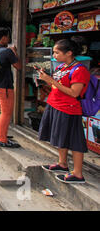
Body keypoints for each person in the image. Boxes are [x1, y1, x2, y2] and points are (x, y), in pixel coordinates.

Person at [37, 38, 91, 184]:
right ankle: (62, 164)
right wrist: (46, 80)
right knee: (60, 137)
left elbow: (74, 93)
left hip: (69, 109)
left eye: (56, 52)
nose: (54, 55)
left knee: (74, 140)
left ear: (69, 53)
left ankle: (78, 174)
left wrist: (52, 81)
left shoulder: (79, 70)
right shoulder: (62, 67)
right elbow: (57, 86)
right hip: (55, 105)